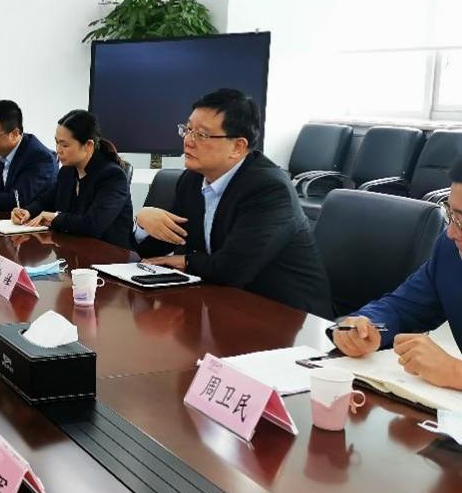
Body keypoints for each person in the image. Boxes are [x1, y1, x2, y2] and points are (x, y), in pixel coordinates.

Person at [135, 88, 332, 317]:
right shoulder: (192, 180)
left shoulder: (269, 189)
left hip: (288, 316)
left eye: (202, 135)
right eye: (187, 130)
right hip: (223, 304)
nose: (188, 141)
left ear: (238, 147)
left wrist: (185, 261)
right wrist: (142, 222)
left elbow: (232, 269)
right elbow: (156, 249)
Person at [331, 157, 462, 388]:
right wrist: (366, 326)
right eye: (452, 214)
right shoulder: (449, 249)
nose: (451, 232)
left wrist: (455, 372)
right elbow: (401, 306)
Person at [11, 109, 133, 248]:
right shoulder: (67, 171)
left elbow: (93, 225)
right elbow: (46, 200)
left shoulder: (112, 176)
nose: (58, 150)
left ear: (88, 145)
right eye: (57, 143)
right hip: (73, 249)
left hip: (109, 254)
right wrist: (27, 212)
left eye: (65, 145)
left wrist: (55, 218)